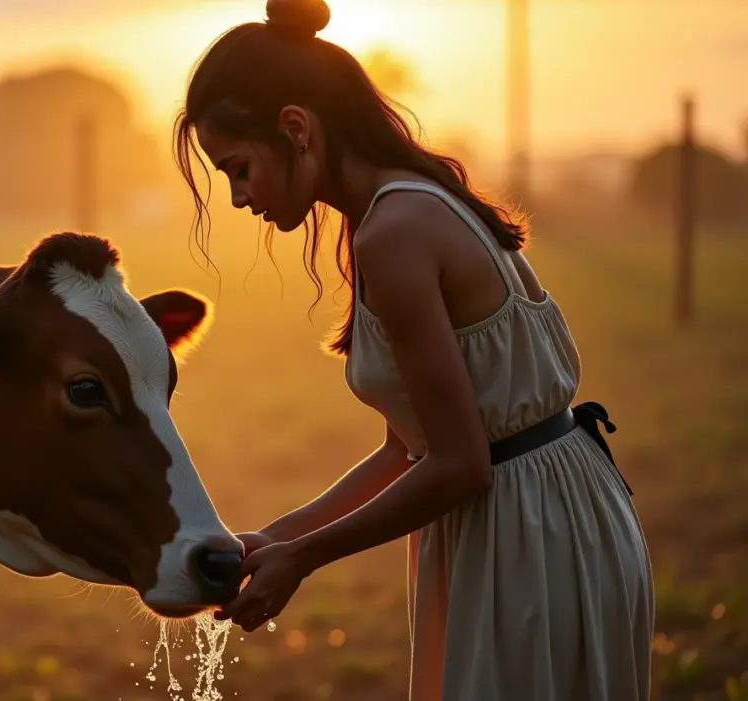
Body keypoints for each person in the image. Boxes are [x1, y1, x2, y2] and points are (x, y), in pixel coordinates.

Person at [172, 0, 655, 698]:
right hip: (538, 514)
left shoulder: (394, 232)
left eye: (238, 168)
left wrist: (303, 558)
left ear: (296, 129)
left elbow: (460, 465)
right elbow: (408, 450)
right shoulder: (400, 210)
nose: (239, 198)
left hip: (529, 535)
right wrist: (277, 538)